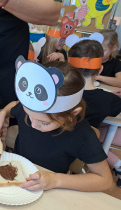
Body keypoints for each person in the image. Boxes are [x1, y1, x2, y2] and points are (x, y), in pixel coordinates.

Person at [0, 60, 112, 191]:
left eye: (44, 123)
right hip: (20, 176)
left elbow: (105, 180)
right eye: (29, 115)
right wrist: (2, 114)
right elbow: (14, 106)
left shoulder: (83, 136)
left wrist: (56, 180)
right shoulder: (33, 111)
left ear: (72, 114)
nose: (33, 124)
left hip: (50, 188)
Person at [68, 39, 121, 188]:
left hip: (66, 142)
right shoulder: (109, 100)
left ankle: (117, 164)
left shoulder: (62, 95)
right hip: (85, 146)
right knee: (106, 129)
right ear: (100, 70)